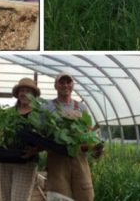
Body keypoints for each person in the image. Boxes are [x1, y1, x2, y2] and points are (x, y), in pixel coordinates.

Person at [43, 72, 103, 201]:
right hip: (57, 158)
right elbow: (42, 132)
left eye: (68, 82)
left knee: (84, 194)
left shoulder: (81, 107)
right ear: (56, 86)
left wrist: (93, 146)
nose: (65, 85)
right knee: (59, 195)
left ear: (72, 85)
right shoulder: (48, 106)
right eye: (62, 82)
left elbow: (88, 132)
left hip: (79, 157)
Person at [0, 77, 41, 201]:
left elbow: (46, 139)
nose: (24, 93)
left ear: (33, 95)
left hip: (25, 162)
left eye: (28, 91)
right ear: (17, 94)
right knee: (5, 198)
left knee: (19, 198)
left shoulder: (39, 115)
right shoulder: (9, 113)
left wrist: (34, 150)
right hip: (5, 161)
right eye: (21, 90)